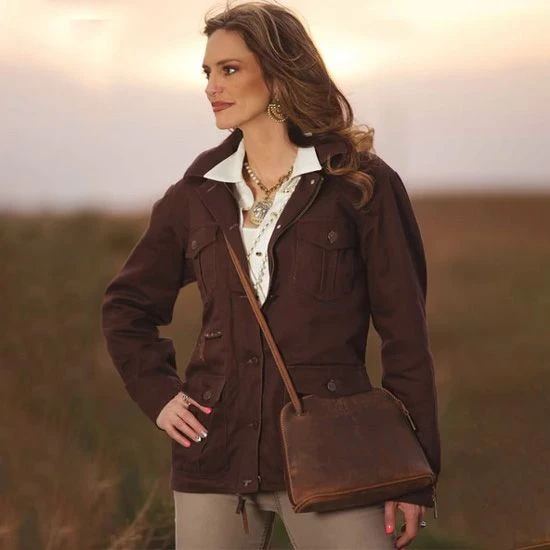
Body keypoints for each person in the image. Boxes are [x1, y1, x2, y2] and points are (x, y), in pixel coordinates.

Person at [101, 1, 441, 548]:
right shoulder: (195, 195)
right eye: (207, 72)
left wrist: (415, 472)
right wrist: (159, 395)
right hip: (213, 456)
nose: (212, 86)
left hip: (337, 455)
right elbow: (126, 307)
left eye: (229, 69)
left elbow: (406, 335)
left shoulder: (360, 185)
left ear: (280, 74)